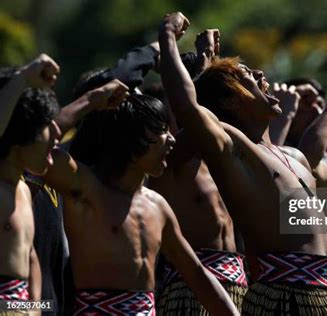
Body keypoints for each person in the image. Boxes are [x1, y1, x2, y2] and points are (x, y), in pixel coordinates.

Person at [159, 12, 327, 315]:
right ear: (230, 101)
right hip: (286, 299)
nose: (263, 76)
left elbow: (314, 152)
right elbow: (188, 107)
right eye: (250, 76)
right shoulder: (233, 150)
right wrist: (168, 37)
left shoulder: (294, 156)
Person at [43, 91, 239, 315]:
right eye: (162, 130)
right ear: (132, 136)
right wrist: (92, 100)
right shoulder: (87, 189)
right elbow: (41, 145)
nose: (172, 139)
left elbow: (196, 273)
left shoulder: (158, 206)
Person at [147, 29, 248, 315]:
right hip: (191, 290)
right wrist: (180, 43)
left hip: (237, 283)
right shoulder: (167, 156)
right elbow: (194, 116)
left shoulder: (223, 153)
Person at [0, 55, 60, 314]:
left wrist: (34, 308)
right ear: (18, 133)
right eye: (48, 125)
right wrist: (23, 77)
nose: (58, 133)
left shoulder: (24, 190)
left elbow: (30, 257)